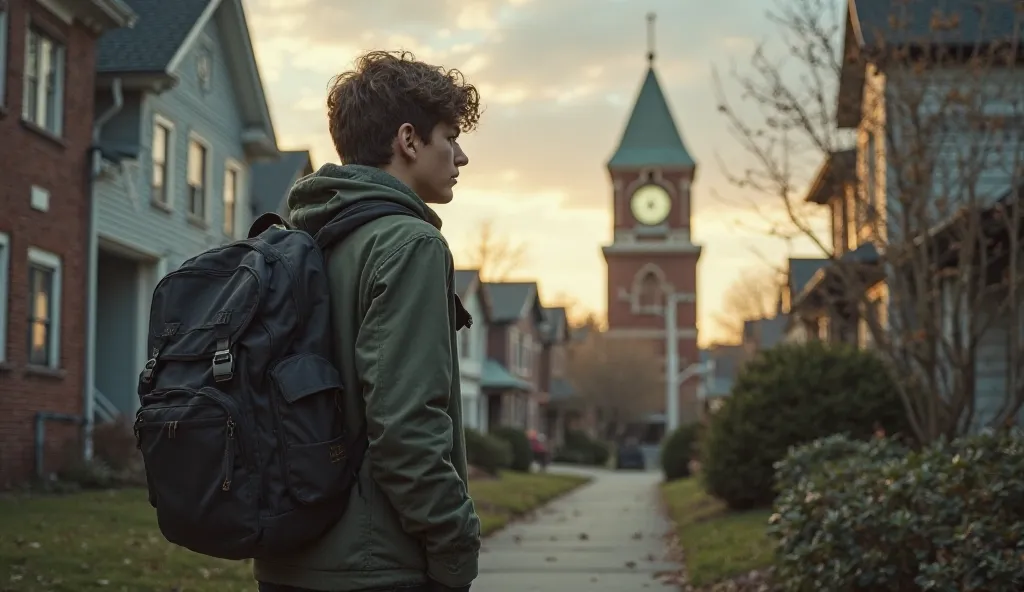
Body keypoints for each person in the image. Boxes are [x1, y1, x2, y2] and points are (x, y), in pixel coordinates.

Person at [253, 50, 483, 592]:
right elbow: (406, 426)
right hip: (376, 564)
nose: (461, 156)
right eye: (449, 137)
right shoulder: (410, 244)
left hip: (287, 555)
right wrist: (456, 548)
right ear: (408, 140)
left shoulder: (296, 238)